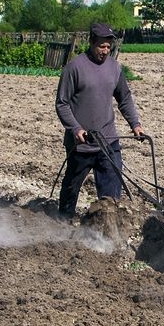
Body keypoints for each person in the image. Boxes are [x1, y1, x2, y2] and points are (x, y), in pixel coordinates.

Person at [55, 22, 147, 219]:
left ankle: (106, 231)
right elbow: (62, 103)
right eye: (101, 46)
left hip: (108, 142)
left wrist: (135, 124)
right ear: (91, 42)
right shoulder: (74, 68)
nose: (105, 51)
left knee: (112, 194)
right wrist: (76, 128)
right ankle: (63, 223)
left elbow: (124, 98)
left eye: (108, 47)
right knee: (72, 187)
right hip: (81, 144)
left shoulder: (114, 68)